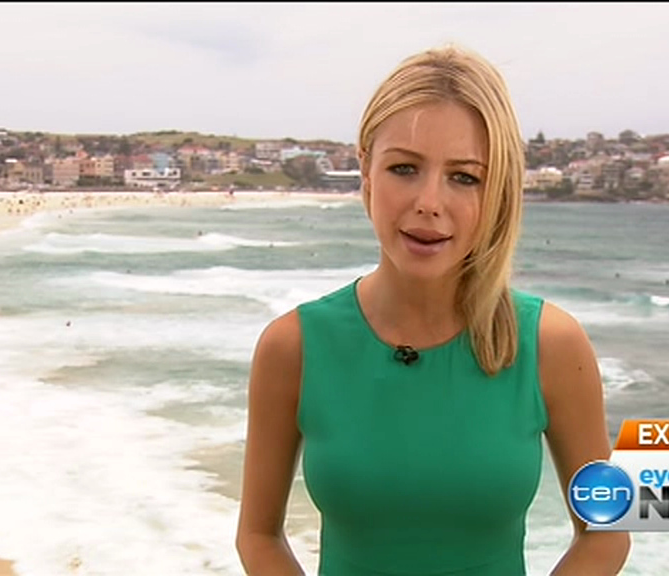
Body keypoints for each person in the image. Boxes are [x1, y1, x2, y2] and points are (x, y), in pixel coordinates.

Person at [236, 44, 630, 575]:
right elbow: (258, 535)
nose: (429, 202)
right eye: (404, 168)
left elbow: (606, 534)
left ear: (497, 191)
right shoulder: (294, 347)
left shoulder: (550, 344)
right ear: (366, 170)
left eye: (463, 176)